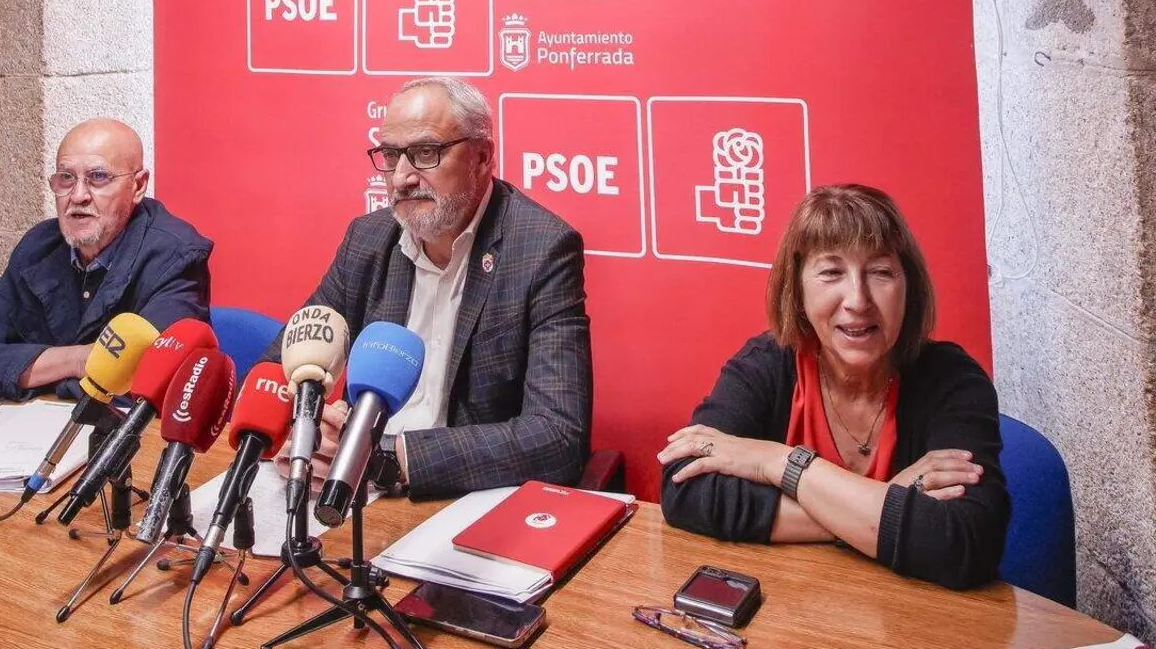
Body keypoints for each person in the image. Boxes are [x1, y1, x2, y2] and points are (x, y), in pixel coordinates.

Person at [658, 184, 1009, 590]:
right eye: (831, 272)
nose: (857, 300)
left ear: (908, 287)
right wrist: (880, 502)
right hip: (795, 615)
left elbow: (965, 543)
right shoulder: (766, 365)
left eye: (880, 272)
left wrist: (774, 462)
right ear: (799, 288)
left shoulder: (952, 380)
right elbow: (683, 487)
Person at [262, 76, 592, 500]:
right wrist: (306, 424)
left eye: (424, 153)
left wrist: (386, 458)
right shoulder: (367, 240)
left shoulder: (541, 248)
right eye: (391, 154)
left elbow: (557, 436)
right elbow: (276, 367)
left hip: (453, 496)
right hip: (343, 492)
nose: (401, 177)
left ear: (482, 157)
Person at [0, 118, 213, 401]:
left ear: (138, 186)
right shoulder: (38, 248)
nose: (78, 196)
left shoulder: (175, 256)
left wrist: (33, 373)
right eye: (66, 178)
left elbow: (149, 391)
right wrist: (77, 360)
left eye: (98, 177)